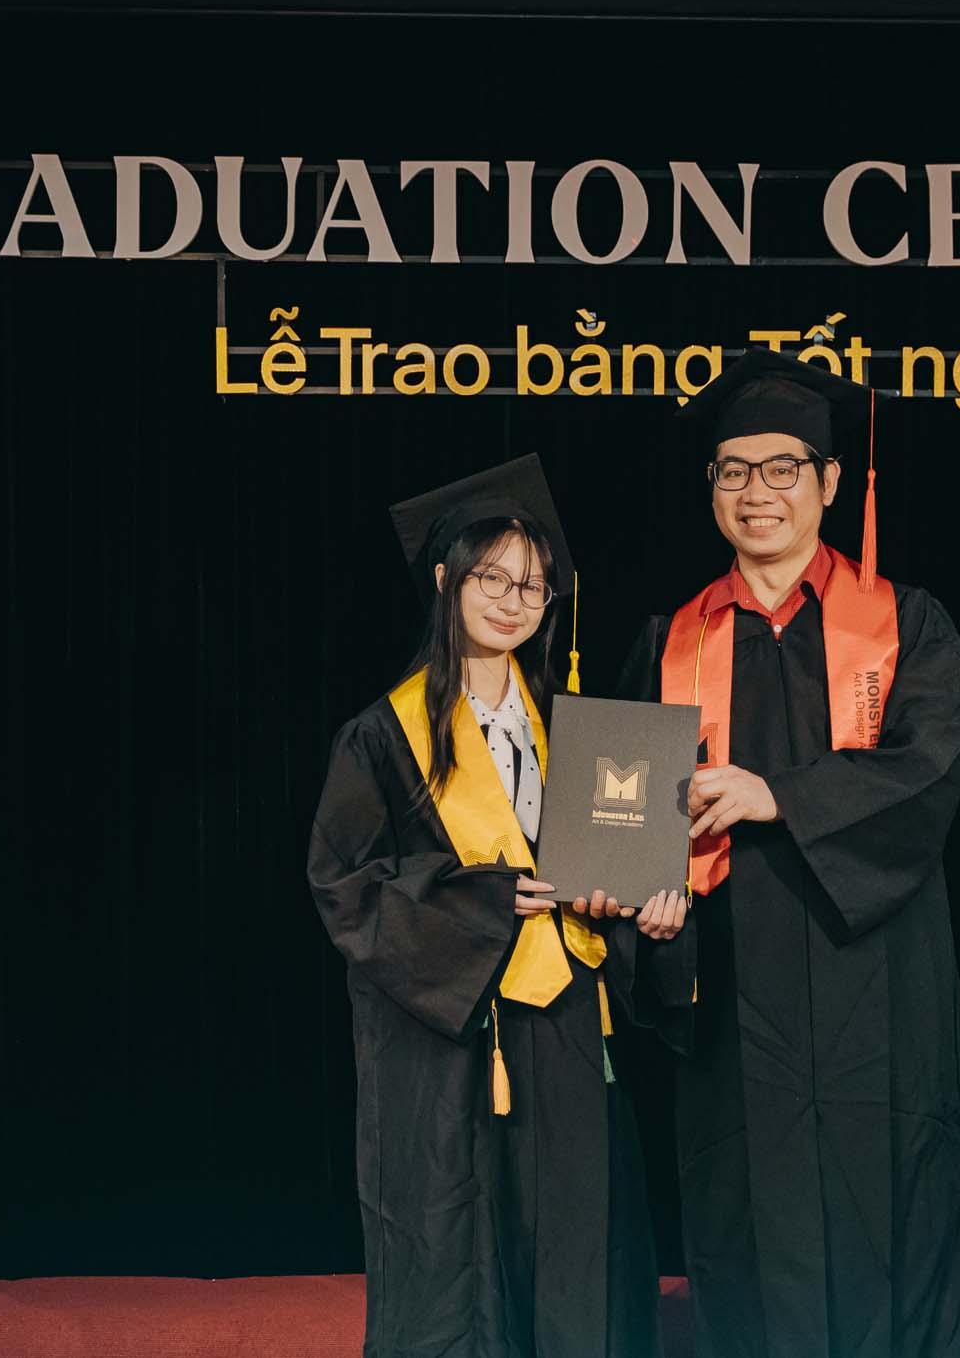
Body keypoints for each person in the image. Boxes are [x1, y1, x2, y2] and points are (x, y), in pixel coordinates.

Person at [620, 351, 960, 1358]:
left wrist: (778, 795)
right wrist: (644, 890)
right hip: (735, 992)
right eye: (734, 471)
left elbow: (928, 767)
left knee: (889, 1203)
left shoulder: (906, 625)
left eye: (783, 468)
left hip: (879, 981)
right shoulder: (672, 642)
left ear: (829, 482)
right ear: (712, 490)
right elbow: (633, 815)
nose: (757, 492)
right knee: (743, 1216)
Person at [308, 453, 688, 1358]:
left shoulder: (581, 732)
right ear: (445, 579)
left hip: (566, 1029)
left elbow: (615, 871)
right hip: (452, 1042)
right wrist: (481, 902)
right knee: (457, 1255)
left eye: (533, 585)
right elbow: (344, 884)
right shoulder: (382, 737)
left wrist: (648, 910)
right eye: (492, 577)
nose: (514, 601)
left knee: (580, 1255)